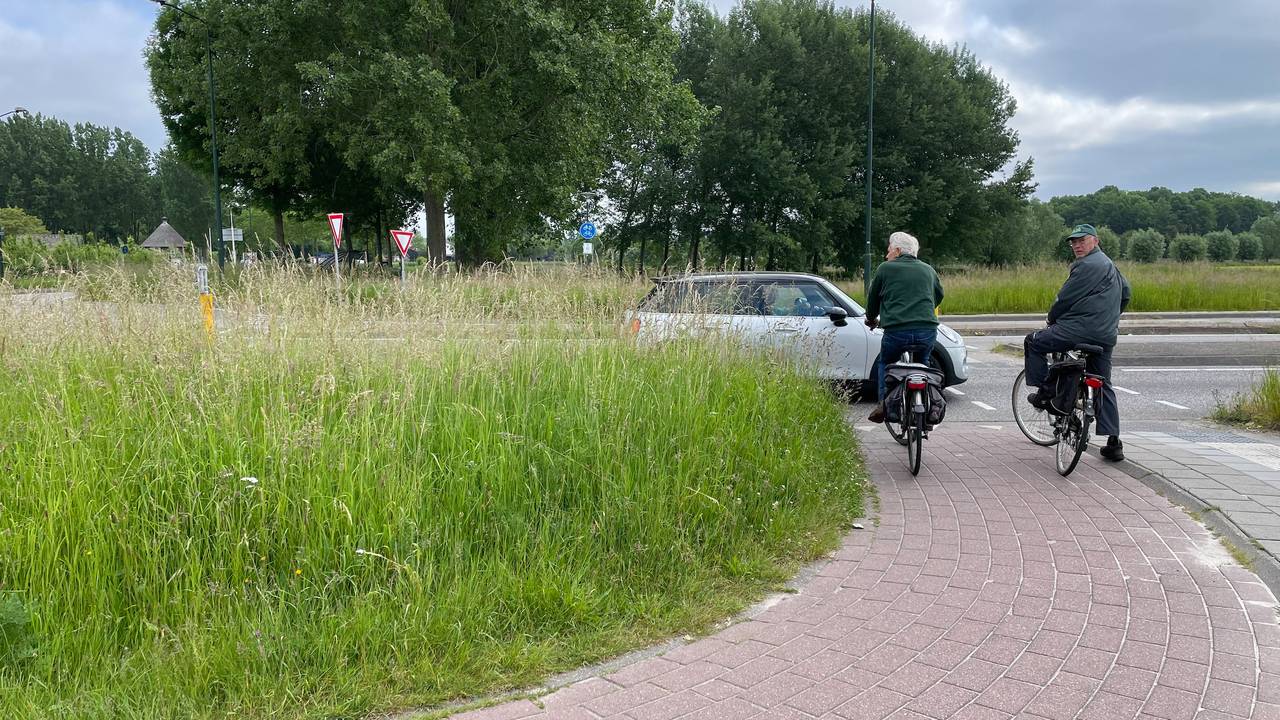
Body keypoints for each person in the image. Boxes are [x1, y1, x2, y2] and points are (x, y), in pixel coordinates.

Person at [1025, 223, 1132, 461]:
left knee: (1034, 342)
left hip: (1076, 330)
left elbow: (1066, 297)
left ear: (1096, 240)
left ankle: (1044, 394)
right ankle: (1114, 442)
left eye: (1081, 240)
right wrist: (1110, 317)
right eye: (1073, 242)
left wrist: (1052, 318)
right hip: (1105, 335)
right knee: (1103, 383)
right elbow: (1126, 294)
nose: (1076, 245)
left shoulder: (1085, 265)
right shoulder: (1112, 267)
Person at [864, 231, 945, 423]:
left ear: (898, 251)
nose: (887, 254)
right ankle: (928, 403)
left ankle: (884, 404)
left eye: (889, 249)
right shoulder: (928, 270)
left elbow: (873, 299)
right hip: (927, 330)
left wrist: (871, 318)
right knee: (923, 363)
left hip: (896, 331)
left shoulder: (885, 269)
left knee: (886, 363)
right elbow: (939, 295)